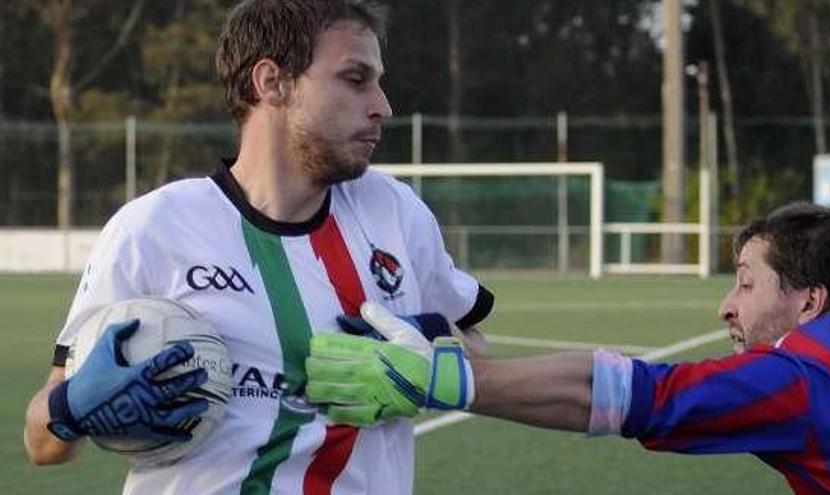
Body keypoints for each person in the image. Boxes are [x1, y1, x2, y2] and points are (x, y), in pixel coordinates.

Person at [23, 1, 494, 494]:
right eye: (356, 80)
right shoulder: (152, 229)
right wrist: (74, 406)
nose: (383, 105)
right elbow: (44, 444)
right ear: (272, 83)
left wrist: (421, 348)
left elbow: (474, 348)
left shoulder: (395, 212)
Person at [306, 202, 830, 493]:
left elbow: (633, 395)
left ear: (810, 302)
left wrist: (440, 379)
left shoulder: (804, 377)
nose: (726, 306)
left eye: (746, 283)